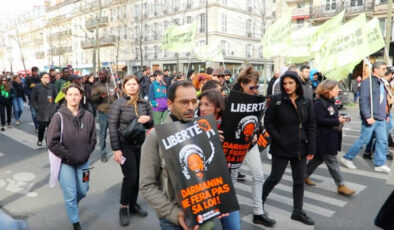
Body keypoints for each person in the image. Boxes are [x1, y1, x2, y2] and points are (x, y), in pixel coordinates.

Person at [140, 81, 215, 230]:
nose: (191, 107)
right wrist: (174, 214)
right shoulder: (156, 137)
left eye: (194, 102)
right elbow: (147, 185)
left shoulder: (203, 130)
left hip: (206, 212)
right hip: (173, 219)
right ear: (170, 103)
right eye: (184, 102)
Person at [263, 70, 316, 225]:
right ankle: (258, 204)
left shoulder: (306, 101)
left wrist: (312, 148)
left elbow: (311, 125)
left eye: (290, 83)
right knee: (274, 178)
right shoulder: (277, 100)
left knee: (299, 180)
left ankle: (297, 212)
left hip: (300, 147)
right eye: (284, 83)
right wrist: (278, 138)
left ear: (297, 84)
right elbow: (268, 122)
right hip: (281, 147)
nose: (287, 86)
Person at [47, 84, 97, 230]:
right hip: (65, 163)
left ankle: (73, 204)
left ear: (81, 96)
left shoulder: (88, 116)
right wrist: (68, 155)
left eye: (76, 94)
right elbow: (51, 142)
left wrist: (87, 152)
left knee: (83, 190)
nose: (73, 97)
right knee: (70, 194)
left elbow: (93, 138)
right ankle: (75, 221)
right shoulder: (59, 117)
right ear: (66, 97)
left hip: (83, 162)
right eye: (70, 94)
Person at [231, 66, 276, 227]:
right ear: (242, 84)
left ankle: (258, 212)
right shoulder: (232, 98)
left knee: (258, 176)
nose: (255, 90)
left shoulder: (257, 98)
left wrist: (258, 130)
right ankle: (226, 211)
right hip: (234, 144)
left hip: (251, 144)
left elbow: (256, 118)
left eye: (257, 87)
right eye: (252, 87)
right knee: (231, 179)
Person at [109, 75, 153, 226]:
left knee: (138, 177)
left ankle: (133, 205)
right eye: (129, 84)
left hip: (140, 145)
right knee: (130, 177)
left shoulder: (144, 102)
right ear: (124, 87)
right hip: (124, 145)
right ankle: (123, 207)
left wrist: (147, 119)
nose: (132, 87)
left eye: (134, 84)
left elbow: (150, 122)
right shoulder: (118, 103)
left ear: (138, 86)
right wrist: (116, 149)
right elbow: (113, 127)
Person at [304, 80, 355, 196]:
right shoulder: (319, 103)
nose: (339, 90)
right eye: (336, 88)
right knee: (332, 162)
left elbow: (330, 116)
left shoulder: (330, 102)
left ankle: (303, 175)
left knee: (317, 159)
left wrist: (341, 118)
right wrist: (337, 120)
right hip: (323, 139)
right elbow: (318, 120)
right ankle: (341, 185)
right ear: (328, 90)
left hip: (330, 137)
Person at [341, 62, 391, 173]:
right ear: (375, 70)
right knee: (364, 140)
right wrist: (367, 116)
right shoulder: (367, 82)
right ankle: (347, 158)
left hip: (381, 117)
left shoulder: (382, 82)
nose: (385, 70)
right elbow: (363, 100)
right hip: (371, 117)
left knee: (382, 141)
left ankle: (380, 163)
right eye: (383, 68)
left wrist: (386, 114)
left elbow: (384, 101)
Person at [91, 69, 119, 162]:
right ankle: (103, 153)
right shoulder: (96, 85)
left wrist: (118, 92)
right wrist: (99, 96)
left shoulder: (113, 84)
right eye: (99, 74)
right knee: (102, 134)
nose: (100, 76)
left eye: (102, 74)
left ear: (107, 74)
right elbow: (92, 98)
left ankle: (117, 151)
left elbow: (120, 97)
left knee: (114, 134)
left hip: (113, 113)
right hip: (102, 113)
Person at [31, 73, 58, 146]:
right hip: (42, 112)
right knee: (42, 127)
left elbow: (57, 98)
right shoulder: (37, 87)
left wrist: (55, 106)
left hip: (52, 111)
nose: (47, 78)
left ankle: (48, 141)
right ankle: (40, 139)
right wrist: (37, 108)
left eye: (48, 77)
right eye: (45, 77)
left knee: (51, 128)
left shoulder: (53, 86)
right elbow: (33, 99)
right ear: (41, 78)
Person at [24, 66, 41, 132]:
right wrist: (31, 94)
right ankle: (36, 127)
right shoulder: (28, 79)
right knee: (34, 114)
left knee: (40, 114)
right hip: (32, 100)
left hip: (40, 99)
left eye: (37, 71)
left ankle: (40, 125)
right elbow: (25, 89)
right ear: (32, 72)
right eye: (34, 72)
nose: (36, 73)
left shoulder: (40, 79)